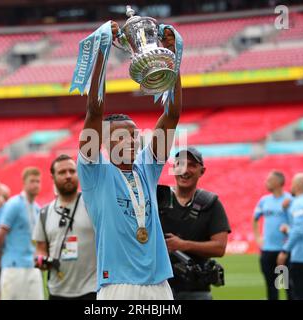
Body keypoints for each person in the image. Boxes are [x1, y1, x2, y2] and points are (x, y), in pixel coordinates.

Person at [77, 22, 181, 300]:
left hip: (159, 283)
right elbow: (94, 109)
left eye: (135, 135)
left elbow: (171, 117)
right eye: (123, 136)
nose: (133, 140)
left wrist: (173, 61)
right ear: (105, 142)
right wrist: (102, 50)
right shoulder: (94, 172)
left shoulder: (146, 169)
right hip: (117, 285)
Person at [157, 147, 230, 300]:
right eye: (180, 164)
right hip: (158, 289)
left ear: (202, 171)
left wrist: (182, 245)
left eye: (192, 165)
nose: (185, 170)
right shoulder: (158, 199)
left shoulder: (211, 204)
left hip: (196, 291)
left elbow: (220, 248)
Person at [34, 154, 97, 300]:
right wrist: (41, 260)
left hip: (91, 289)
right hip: (57, 291)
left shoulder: (92, 205)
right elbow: (40, 249)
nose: (68, 176)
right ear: (53, 177)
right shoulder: (44, 212)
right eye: (62, 172)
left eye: (72, 171)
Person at [0, 167, 44, 300]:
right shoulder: (14, 204)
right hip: (14, 266)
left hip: (33, 266)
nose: (35, 185)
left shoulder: (37, 208)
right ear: (24, 182)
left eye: (38, 181)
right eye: (32, 181)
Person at [253, 171, 292, 300]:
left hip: (283, 251)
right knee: (271, 288)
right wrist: (258, 237)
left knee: (286, 286)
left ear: (278, 182)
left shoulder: (289, 200)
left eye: (269, 180)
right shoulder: (264, 200)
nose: (266, 182)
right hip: (267, 251)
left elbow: (296, 223)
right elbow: (255, 219)